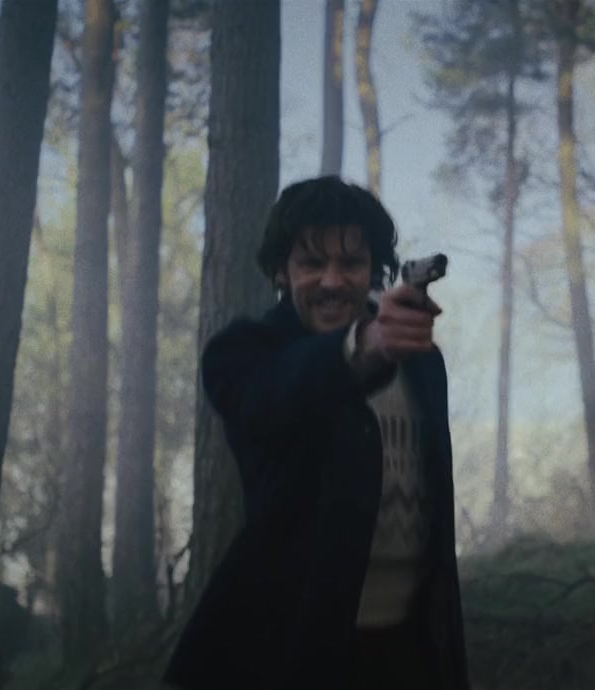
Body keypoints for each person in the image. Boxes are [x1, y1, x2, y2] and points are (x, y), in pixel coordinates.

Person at [162, 176, 470, 690]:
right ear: (281, 272)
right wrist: (363, 346)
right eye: (311, 263)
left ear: (374, 269)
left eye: (350, 263)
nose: (332, 281)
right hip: (286, 653)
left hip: (409, 651)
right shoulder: (244, 353)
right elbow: (270, 396)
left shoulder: (421, 363)